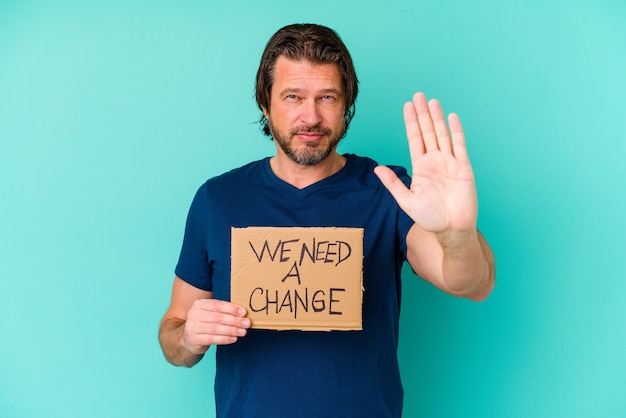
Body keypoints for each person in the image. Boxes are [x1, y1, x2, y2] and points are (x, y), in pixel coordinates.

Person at [159, 23, 495, 417]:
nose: (311, 116)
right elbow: (173, 340)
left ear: (346, 104)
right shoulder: (217, 200)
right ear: (265, 104)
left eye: (327, 97)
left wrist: (456, 234)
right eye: (293, 97)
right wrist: (191, 337)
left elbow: (473, 284)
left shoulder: (389, 191)